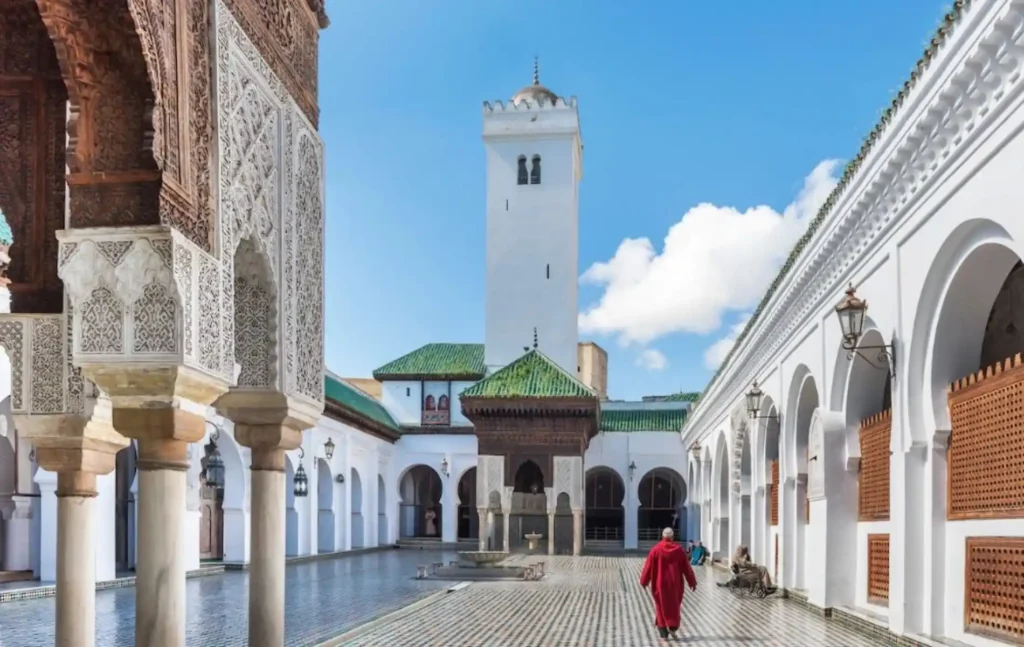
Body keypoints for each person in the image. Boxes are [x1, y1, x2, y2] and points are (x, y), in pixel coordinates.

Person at [640, 527, 698, 640]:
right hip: (675, 585)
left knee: (660, 606)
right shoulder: (679, 550)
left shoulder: (655, 550)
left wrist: (644, 581)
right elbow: (687, 568)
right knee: (674, 606)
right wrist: (692, 582)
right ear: (672, 537)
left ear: (662, 536)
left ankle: (663, 631)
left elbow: (648, 567)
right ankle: (673, 627)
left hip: (659, 584)